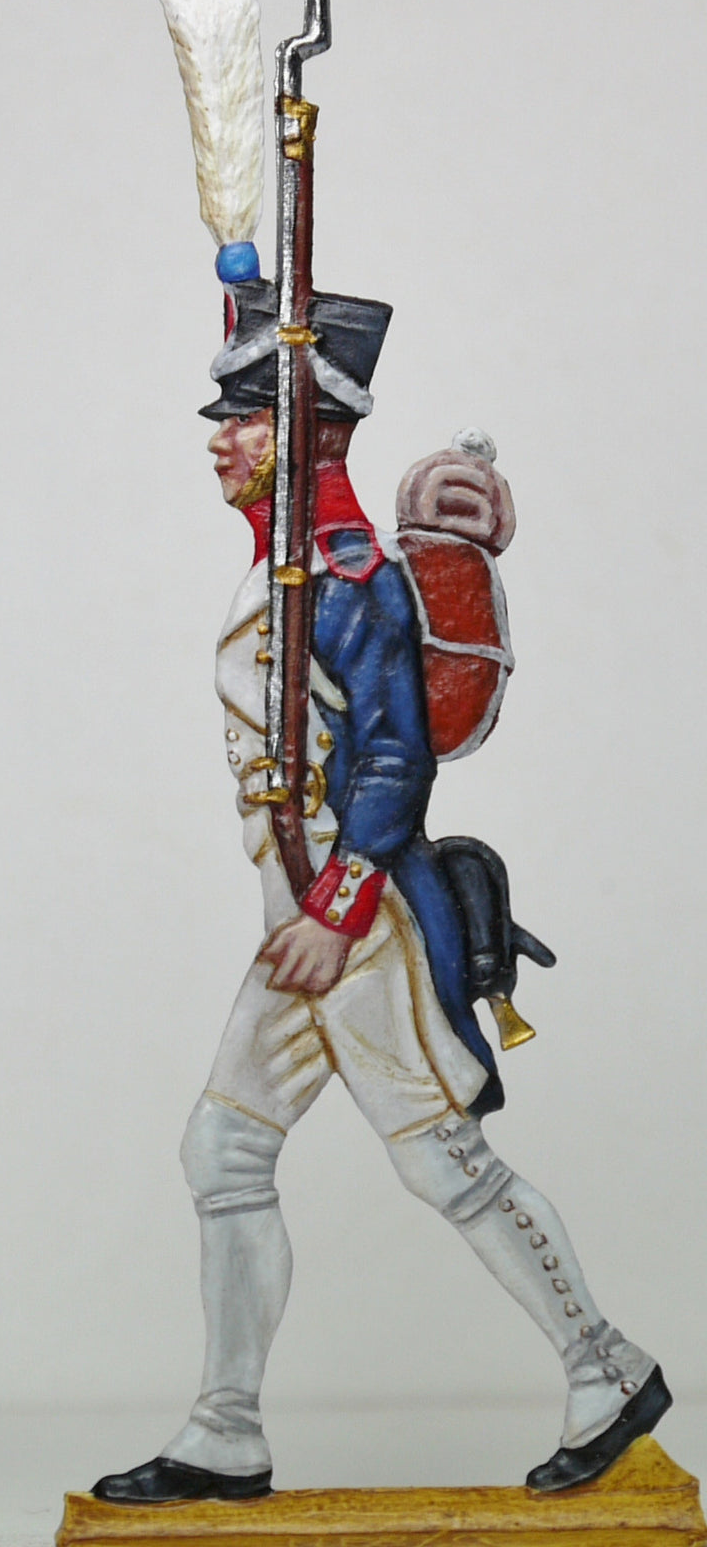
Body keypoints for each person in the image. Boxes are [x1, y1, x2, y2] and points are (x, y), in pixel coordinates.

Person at [93, 279, 670, 1506]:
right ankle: (225, 1431)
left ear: (305, 435)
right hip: (300, 925)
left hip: (357, 927)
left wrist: (336, 909)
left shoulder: (345, 579)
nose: (219, 440)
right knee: (224, 1146)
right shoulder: (285, 573)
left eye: (244, 418)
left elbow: (396, 760)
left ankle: (605, 1366)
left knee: (444, 1163)